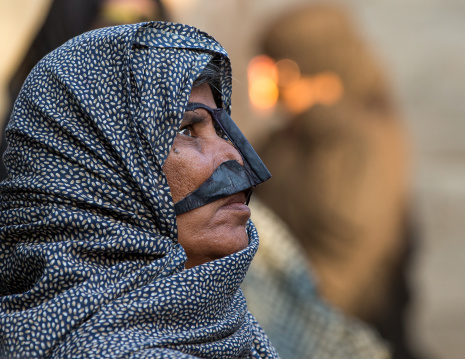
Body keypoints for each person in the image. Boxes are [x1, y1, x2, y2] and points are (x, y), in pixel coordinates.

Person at [0, 21, 277, 358]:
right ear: (101, 174)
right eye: (188, 130)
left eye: (222, 130)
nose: (233, 154)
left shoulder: (223, 324)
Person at [242, 5, 423, 359]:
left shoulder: (357, 144)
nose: (260, 83)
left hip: (337, 324)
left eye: (271, 69)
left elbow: (341, 262)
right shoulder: (298, 134)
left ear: (298, 70)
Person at [0, 0, 170, 181]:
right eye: (115, 20)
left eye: (145, 21)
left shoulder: (164, 124)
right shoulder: (31, 139)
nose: (132, 36)